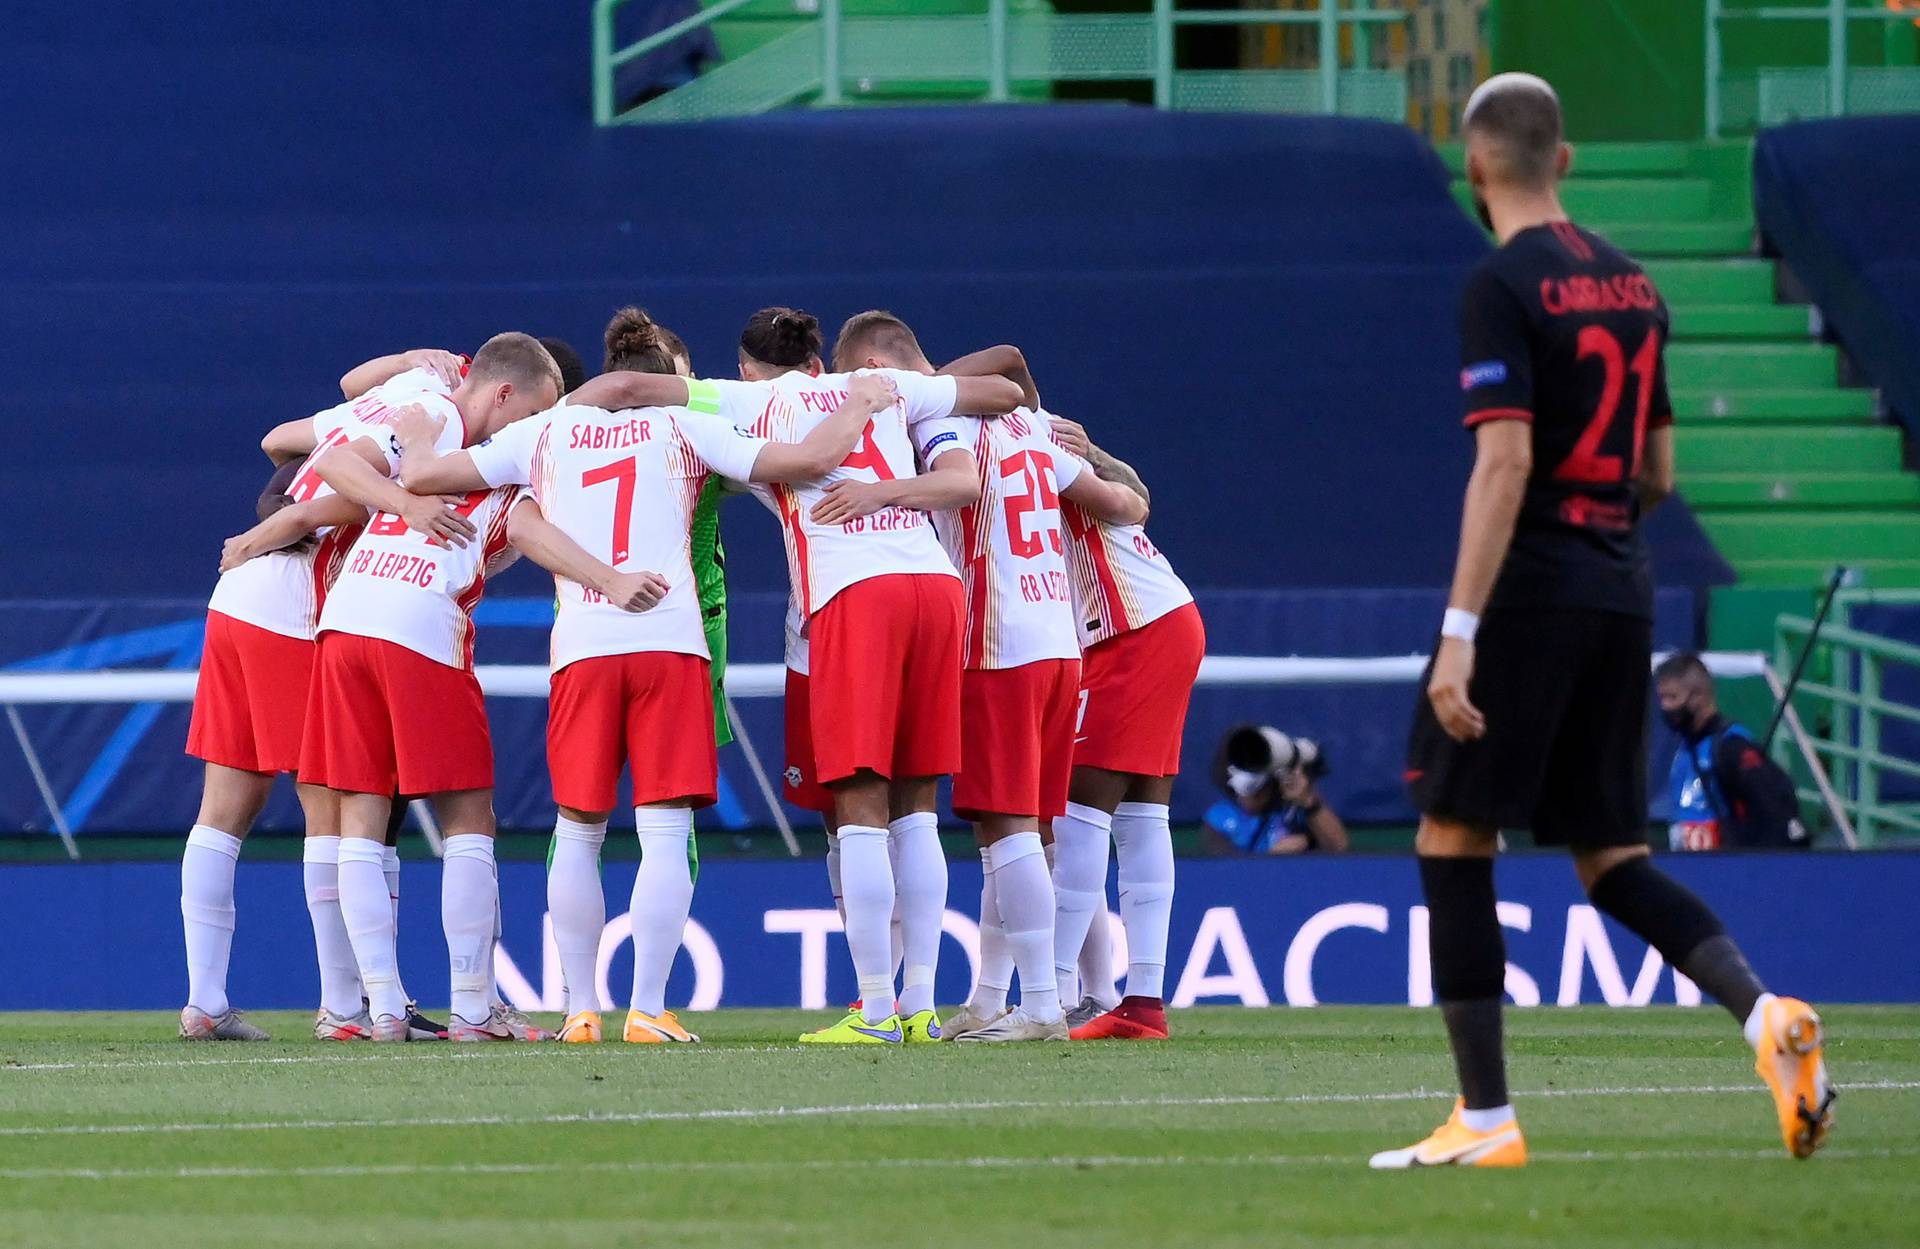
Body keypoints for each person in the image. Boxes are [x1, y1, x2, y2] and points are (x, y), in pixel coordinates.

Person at [1378, 73, 1832, 1169]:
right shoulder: (1635, 284)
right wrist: (1595, 539)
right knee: (1612, 853)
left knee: (1451, 831)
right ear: (1565, 161)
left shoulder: (1500, 284)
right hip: (1622, 588)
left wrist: (1460, 630)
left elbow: (1506, 459)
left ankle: (1485, 1120)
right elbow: (1661, 471)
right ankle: (1764, 1014)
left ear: (1477, 168)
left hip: (1530, 589)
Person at [395, 308, 899, 1046]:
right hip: (669, 641)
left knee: (578, 829)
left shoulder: (546, 430)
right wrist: (858, 403)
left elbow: (425, 475)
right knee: (665, 832)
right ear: (669, 382)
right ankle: (647, 1009)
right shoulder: (686, 427)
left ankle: (579, 1010)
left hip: (583, 648)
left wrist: (411, 430)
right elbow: (806, 461)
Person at [572, 306, 1026, 1044]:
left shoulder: (752, 398)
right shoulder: (877, 384)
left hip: (856, 595)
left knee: (859, 801)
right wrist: (913, 388)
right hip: (936, 587)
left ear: (748, 366)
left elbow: (631, 386)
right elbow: (1003, 393)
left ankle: (874, 1010)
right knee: (917, 804)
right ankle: (918, 1005)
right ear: (817, 359)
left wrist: (564, 416)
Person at [831, 316, 1150, 1043]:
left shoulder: (943, 424)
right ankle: (989, 996)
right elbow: (1125, 504)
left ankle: (1040, 1002)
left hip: (995, 643)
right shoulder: (1030, 428)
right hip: (1061, 643)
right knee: (1028, 835)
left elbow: (962, 462)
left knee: (1005, 829)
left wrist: (893, 462)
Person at [177, 347, 468, 1042]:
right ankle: (344, 1005)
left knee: (226, 806)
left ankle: (205, 1000)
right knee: (335, 801)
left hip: (236, 606)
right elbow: (321, 504)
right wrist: (264, 533)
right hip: (294, 606)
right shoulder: (427, 417)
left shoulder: (365, 406)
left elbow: (280, 440)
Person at [302, 331, 563, 1043]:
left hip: (348, 618)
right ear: (503, 392)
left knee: (361, 810)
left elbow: (331, 456)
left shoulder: (452, 440)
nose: (530, 431)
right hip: (418, 626)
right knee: (468, 817)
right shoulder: (444, 418)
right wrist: (410, 502)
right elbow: (329, 460)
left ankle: (383, 1007)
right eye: (529, 413)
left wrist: (410, 497)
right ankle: (474, 1007)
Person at [1038, 409, 1204, 1043]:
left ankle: (1046, 996)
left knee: (1078, 813)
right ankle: (1142, 1003)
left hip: (1134, 629)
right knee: (1141, 817)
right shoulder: (1013, 432)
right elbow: (1137, 499)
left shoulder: (1020, 433)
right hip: (1153, 621)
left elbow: (1134, 504)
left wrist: (1095, 452)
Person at [1655, 653, 1809, 851]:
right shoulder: (1685, 749)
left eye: (1672, 697)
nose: (1665, 706)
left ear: (1698, 695)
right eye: (1662, 698)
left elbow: (1775, 807)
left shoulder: (1732, 746)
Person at [1203, 724, 1349, 855]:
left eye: (1260, 790)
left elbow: (1339, 848)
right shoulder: (1220, 817)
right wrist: (1271, 859)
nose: (1251, 796)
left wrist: (1309, 802)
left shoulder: (1296, 809)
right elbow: (1223, 872)